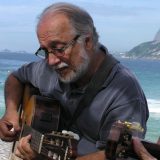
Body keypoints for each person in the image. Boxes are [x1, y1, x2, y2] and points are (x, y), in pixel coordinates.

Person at [0, 2, 149, 160]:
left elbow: (119, 155)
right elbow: (15, 78)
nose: (51, 61)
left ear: (87, 41)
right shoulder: (48, 70)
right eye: (45, 51)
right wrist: (10, 112)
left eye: (59, 48)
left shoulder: (126, 95)